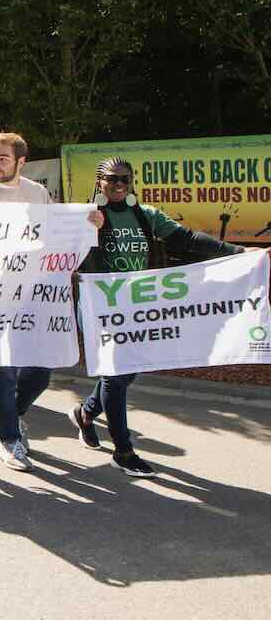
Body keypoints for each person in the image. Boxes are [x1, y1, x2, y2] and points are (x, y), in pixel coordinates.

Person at [71, 157, 249, 478]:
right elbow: (65, 255)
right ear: (99, 182)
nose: (119, 185)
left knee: (128, 372)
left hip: (136, 306)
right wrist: (84, 231)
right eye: (112, 179)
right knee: (115, 375)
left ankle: (85, 413)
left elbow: (188, 239)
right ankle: (123, 452)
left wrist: (239, 253)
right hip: (100, 308)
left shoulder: (145, 215)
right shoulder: (83, 217)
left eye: (125, 179)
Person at [0, 133, 62, 472]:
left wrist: (88, 225)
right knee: (2, 373)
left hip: (32, 297)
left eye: (2, 158)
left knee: (41, 372)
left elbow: (57, 231)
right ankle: (10, 441)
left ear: (21, 161)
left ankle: (13, 414)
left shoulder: (37, 194)